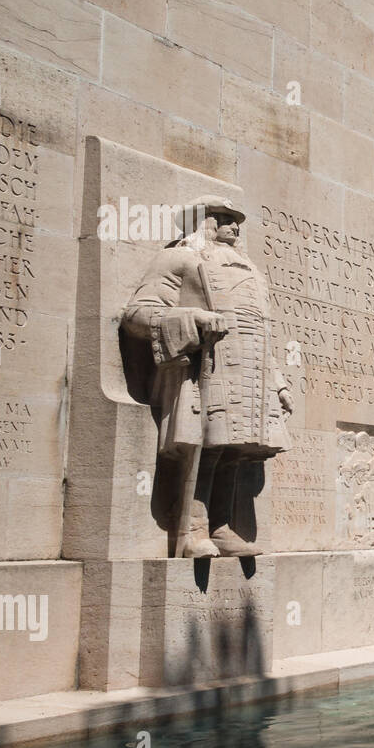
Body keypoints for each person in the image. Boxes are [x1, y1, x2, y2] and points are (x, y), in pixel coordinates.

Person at [122, 197, 293, 557]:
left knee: (235, 449)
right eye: (224, 218)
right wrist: (191, 319)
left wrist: (278, 383)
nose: (234, 226)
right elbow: (138, 313)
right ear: (203, 221)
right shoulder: (179, 258)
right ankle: (191, 530)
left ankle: (221, 526)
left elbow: (260, 333)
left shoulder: (251, 271)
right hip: (206, 366)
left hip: (250, 372)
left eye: (235, 220)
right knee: (206, 445)